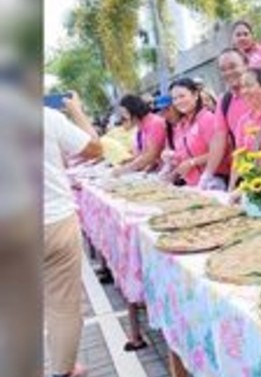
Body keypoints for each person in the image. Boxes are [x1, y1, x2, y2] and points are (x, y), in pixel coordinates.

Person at [44, 93, 103, 377]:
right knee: (63, 303)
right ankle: (63, 370)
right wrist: (78, 112)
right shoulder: (45, 117)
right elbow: (95, 148)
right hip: (53, 220)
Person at [202, 48, 251, 190]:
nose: (228, 72)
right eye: (223, 69)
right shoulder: (225, 101)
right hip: (242, 170)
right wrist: (208, 174)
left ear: (246, 64)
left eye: (233, 66)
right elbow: (219, 139)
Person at [163, 78, 218, 187]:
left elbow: (219, 152)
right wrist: (172, 159)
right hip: (193, 185)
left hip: (213, 182)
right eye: (174, 98)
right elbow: (184, 155)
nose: (178, 102)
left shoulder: (207, 119)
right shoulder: (181, 124)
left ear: (195, 95)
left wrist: (192, 162)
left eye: (182, 96)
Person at [228, 68, 261, 190]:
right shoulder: (243, 121)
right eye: (242, 87)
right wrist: (231, 188)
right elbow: (239, 157)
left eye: (249, 85)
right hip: (255, 186)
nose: (244, 91)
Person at [112, 94, 166, 176]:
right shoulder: (143, 126)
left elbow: (151, 155)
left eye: (125, 113)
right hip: (157, 171)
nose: (124, 117)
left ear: (133, 110)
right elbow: (144, 154)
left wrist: (125, 169)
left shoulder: (154, 123)